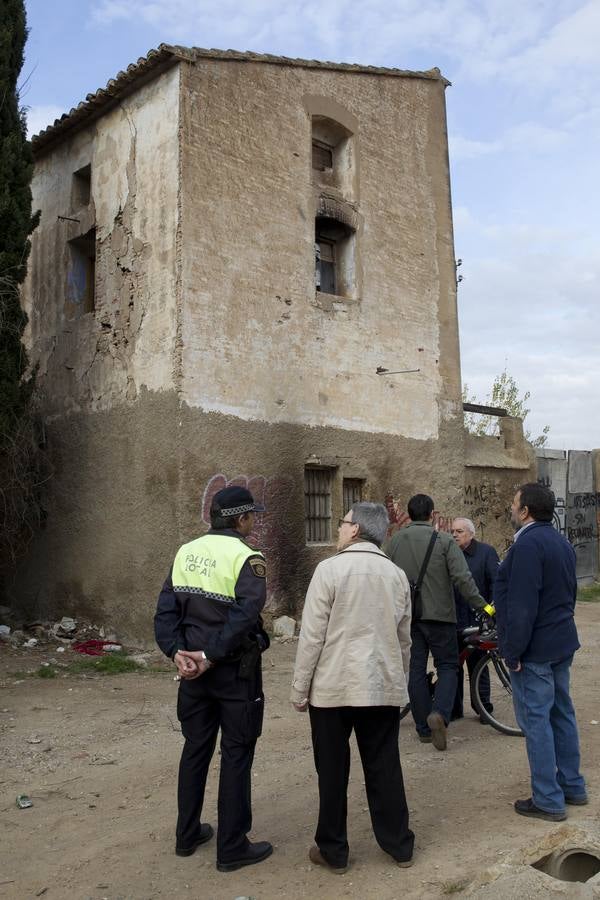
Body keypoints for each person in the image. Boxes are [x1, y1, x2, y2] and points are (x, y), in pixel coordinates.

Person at [291, 502, 414, 873]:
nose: (340, 529)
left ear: (356, 529)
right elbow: (404, 639)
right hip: (379, 686)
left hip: (332, 689)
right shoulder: (396, 575)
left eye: (343, 523)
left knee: (331, 771)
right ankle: (399, 845)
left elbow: (312, 636)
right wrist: (400, 683)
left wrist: (300, 689)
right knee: (384, 765)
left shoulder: (329, 570)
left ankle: (333, 850)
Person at [154, 485, 273, 872]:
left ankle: (186, 835)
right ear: (240, 519)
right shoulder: (248, 557)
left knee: (195, 750)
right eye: (250, 515)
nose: (253, 521)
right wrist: (209, 656)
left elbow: (165, 612)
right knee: (236, 754)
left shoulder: (185, 552)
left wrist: (177, 653)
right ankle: (232, 847)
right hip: (233, 674)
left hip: (192, 673)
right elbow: (244, 616)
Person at [495, 482, 587, 822]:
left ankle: (548, 798)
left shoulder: (528, 545)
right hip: (561, 641)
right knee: (561, 713)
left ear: (525, 511)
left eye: (514, 502)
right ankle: (572, 786)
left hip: (536, 649)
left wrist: (513, 652)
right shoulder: (560, 542)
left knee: (537, 721)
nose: (511, 507)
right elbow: (570, 592)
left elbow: (521, 606)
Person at [384, 494, 493, 750]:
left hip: (409, 618)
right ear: (432, 515)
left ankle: (423, 728)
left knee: (416, 669)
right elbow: (463, 579)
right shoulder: (444, 541)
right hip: (441, 617)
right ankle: (440, 715)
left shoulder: (396, 541)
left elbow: (386, 577)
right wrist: (484, 606)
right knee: (448, 666)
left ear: (409, 515)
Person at [450, 517, 499, 722]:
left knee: (478, 663)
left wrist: (491, 612)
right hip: (453, 620)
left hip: (478, 620)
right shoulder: (449, 553)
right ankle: (454, 709)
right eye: (452, 531)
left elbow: (496, 583)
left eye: (459, 531)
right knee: (453, 666)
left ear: (471, 533)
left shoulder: (486, 553)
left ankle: (483, 707)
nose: (454, 535)